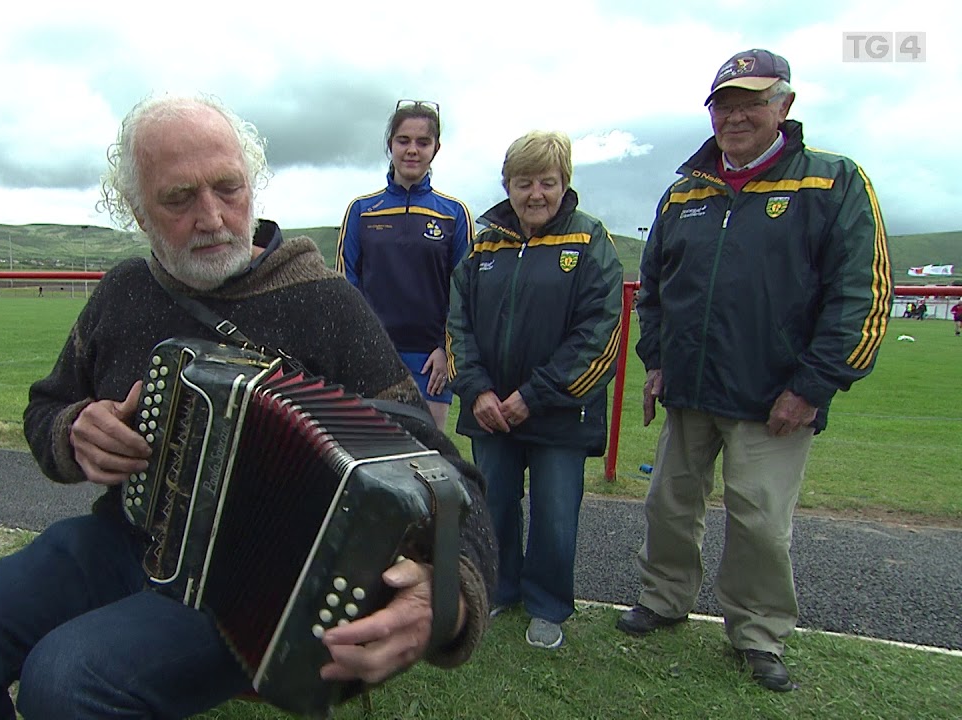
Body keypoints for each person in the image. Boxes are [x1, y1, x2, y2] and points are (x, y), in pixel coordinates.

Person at [0, 94, 496, 720]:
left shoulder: (326, 303)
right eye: (178, 198)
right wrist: (73, 429)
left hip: (260, 588)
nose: (213, 217)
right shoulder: (125, 293)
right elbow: (47, 408)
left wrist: (452, 595)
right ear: (136, 213)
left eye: (229, 188)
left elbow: (447, 474)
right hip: (121, 543)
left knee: (65, 681)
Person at [622, 49, 893, 693]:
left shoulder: (832, 182)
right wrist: (656, 361)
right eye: (724, 103)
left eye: (752, 101)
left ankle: (757, 632)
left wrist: (811, 387)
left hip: (777, 397)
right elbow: (655, 288)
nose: (735, 115)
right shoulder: (685, 189)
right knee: (669, 502)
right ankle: (663, 599)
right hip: (689, 389)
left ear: (785, 106)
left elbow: (860, 296)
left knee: (760, 521)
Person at [447, 130, 623, 651]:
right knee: (493, 504)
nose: (535, 194)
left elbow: (599, 334)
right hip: (491, 413)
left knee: (555, 512)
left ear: (564, 183)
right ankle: (499, 589)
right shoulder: (484, 245)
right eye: (524, 183)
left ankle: (547, 605)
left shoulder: (590, 241)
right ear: (508, 186)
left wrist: (534, 396)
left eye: (547, 182)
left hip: (559, 414)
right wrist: (478, 391)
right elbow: (458, 326)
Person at [337, 100, 473, 431]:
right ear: (390, 145)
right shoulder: (362, 210)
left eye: (423, 142)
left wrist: (445, 350)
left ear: (435, 149)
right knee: (374, 457)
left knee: (428, 462)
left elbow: (465, 294)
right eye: (403, 141)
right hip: (373, 356)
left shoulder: (453, 213)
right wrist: (360, 348)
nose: (412, 150)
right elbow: (345, 286)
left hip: (430, 362)